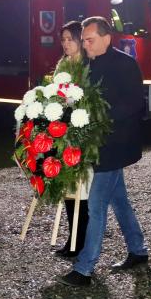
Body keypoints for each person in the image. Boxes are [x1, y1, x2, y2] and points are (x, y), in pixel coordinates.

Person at [58, 16, 149, 287]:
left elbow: (135, 104)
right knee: (119, 201)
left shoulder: (126, 64)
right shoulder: (87, 65)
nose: (85, 45)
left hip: (115, 146)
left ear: (107, 38)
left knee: (96, 205)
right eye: (84, 40)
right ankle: (138, 250)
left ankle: (84, 268)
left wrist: (100, 116)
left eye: (90, 40)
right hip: (96, 145)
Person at [53, 21, 90, 258]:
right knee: (68, 189)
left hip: (82, 136)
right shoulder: (62, 66)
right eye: (63, 40)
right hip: (63, 135)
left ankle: (81, 241)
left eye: (70, 39)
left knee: (81, 192)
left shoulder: (88, 66)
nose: (66, 44)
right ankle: (72, 239)